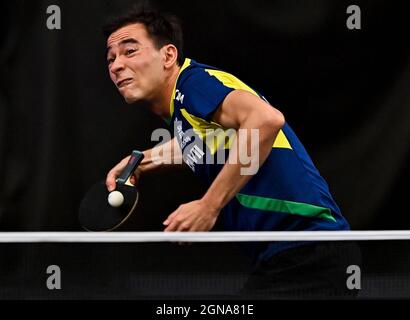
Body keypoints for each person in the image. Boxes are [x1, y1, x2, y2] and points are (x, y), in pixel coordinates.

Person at [103, 7, 361, 298]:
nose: (116, 65)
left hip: (309, 251)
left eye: (129, 51)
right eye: (111, 58)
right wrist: (141, 161)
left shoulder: (193, 83)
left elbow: (266, 120)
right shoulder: (185, 108)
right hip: (289, 256)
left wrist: (208, 206)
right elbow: (204, 142)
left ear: (168, 56)